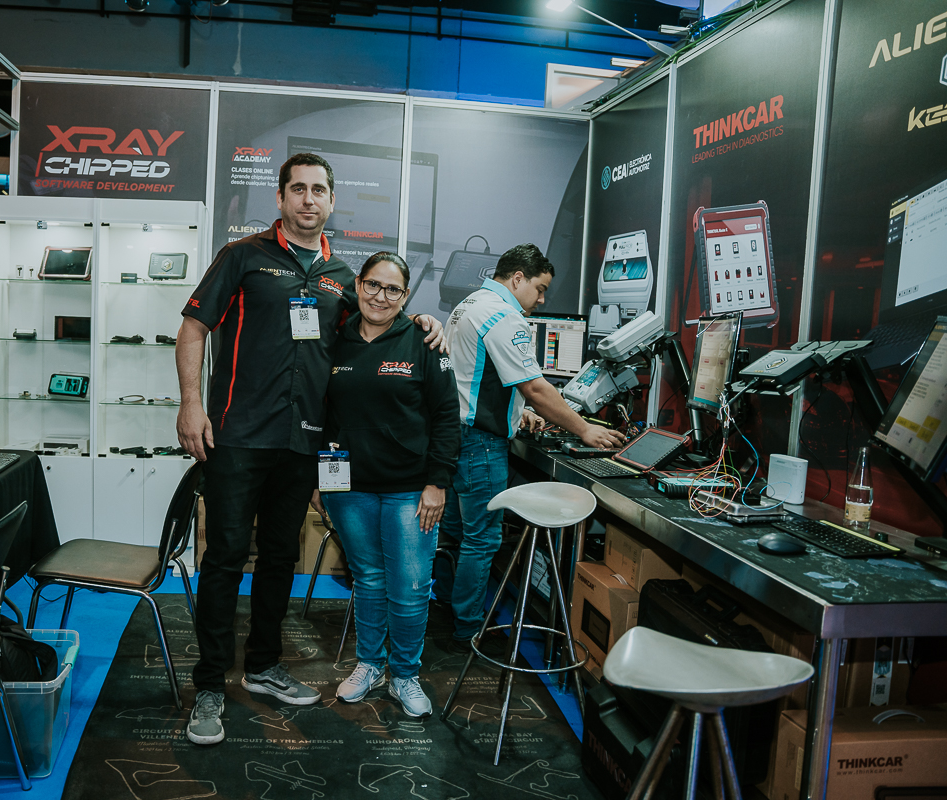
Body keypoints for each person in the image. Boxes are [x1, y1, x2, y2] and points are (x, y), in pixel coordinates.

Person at [175, 153, 444, 746]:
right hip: (237, 435)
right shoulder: (242, 256)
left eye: (319, 190)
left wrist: (423, 321)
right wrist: (191, 404)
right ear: (280, 197)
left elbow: (373, 325)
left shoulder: (343, 276)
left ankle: (264, 666)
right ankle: (210, 685)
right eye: (297, 189)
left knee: (279, 559)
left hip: (302, 444)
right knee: (224, 559)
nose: (308, 199)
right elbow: (193, 327)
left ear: (331, 200)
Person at [440, 243, 625, 651]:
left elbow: (475, 374)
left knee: (455, 531)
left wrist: (516, 411)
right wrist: (584, 430)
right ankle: (468, 631)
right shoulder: (504, 315)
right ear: (518, 278)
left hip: (454, 434)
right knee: (482, 538)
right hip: (479, 442)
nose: (541, 300)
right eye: (539, 289)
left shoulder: (470, 303)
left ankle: (447, 606)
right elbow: (537, 388)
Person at [315, 252, 460, 718]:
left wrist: (437, 483)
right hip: (348, 488)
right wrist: (320, 478)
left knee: (411, 586)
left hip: (411, 490)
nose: (381, 296)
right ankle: (370, 664)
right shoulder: (334, 338)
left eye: (393, 289)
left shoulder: (424, 341)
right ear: (358, 285)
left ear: (406, 296)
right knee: (369, 579)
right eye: (373, 285)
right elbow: (321, 413)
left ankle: (405, 674)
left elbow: (447, 417)